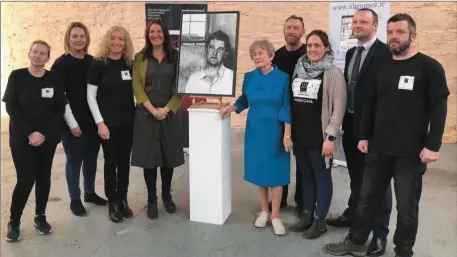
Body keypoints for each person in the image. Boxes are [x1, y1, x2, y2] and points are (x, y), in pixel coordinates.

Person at [325, 13, 449, 257]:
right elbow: (370, 103)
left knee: (406, 208)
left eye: (400, 32)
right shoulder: (382, 66)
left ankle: (403, 250)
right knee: (367, 199)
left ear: (413, 35)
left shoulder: (430, 67)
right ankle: (357, 240)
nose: (394, 37)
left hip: (410, 154)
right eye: (390, 32)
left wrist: (433, 145)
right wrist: (364, 136)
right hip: (378, 149)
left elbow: (439, 107)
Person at [325, 8, 393, 256]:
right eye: (354, 22)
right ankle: (354, 213)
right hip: (352, 125)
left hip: (375, 131)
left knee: (380, 184)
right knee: (356, 176)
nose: (357, 25)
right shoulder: (352, 52)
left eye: (363, 22)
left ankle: (379, 235)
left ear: (375, 26)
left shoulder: (385, 54)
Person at [220, 39, 292, 236]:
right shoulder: (249, 77)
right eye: (254, 54)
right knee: (260, 172)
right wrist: (231, 108)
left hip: (276, 132)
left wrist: (287, 134)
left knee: (276, 175)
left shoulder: (283, 78)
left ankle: (276, 216)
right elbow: (244, 100)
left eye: (261, 52)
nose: (257, 57)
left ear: (271, 55)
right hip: (255, 131)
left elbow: (286, 107)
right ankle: (264, 211)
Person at [3, 40, 67, 242]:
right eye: (35, 52)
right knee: (25, 179)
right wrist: (31, 133)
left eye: (42, 53)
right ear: (29, 54)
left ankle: (40, 216)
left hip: (46, 138)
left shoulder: (53, 79)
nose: (38, 55)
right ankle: (14, 221)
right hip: (22, 138)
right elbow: (11, 108)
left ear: (48, 57)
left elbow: (58, 109)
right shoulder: (17, 76)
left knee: (43, 177)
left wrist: (42, 134)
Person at [287, 30, 346, 239]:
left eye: (317, 45)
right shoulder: (299, 67)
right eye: (309, 45)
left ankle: (320, 221)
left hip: (320, 138)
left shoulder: (333, 73)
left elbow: (338, 109)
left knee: (321, 177)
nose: (312, 49)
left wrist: (331, 137)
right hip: (300, 135)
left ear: (326, 48)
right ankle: (307, 216)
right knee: (306, 177)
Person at [51, 22, 107, 217]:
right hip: (71, 123)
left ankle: (89, 193)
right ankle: (75, 198)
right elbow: (60, 97)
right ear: (68, 38)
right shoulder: (60, 64)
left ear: (87, 38)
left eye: (82, 36)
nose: (78, 39)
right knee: (74, 161)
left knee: (91, 158)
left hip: (92, 121)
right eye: (74, 36)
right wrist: (72, 124)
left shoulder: (93, 61)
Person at [131, 19, 184, 220]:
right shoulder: (140, 58)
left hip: (169, 114)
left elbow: (181, 85)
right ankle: (151, 199)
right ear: (147, 35)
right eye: (152, 31)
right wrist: (153, 110)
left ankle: (166, 195)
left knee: (168, 157)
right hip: (147, 114)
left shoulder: (176, 58)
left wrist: (168, 109)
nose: (155, 35)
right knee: (149, 159)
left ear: (165, 34)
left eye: (159, 31)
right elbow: (137, 87)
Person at [86, 25, 135, 223]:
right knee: (111, 162)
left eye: (121, 39)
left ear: (125, 43)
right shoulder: (98, 64)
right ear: (108, 40)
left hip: (127, 122)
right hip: (107, 124)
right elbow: (90, 96)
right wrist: (100, 123)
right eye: (113, 38)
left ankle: (123, 199)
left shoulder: (128, 63)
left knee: (125, 162)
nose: (116, 42)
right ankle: (113, 202)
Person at [270, 14, 306, 214]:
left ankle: (302, 202)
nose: (291, 31)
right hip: (281, 114)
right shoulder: (277, 55)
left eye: (295, 28)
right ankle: (280, 198)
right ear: (284, 31)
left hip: (303, 114)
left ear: (303, 31)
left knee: (302, 161)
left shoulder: (308, 54)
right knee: (280, 158)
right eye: (288, 27)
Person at [184, 30, 234, 95]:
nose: (214, 53)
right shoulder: (193, 79)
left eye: (220, 49)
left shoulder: (232, 77)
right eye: (212, 48)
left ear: (225, 54)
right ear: (206, 50)